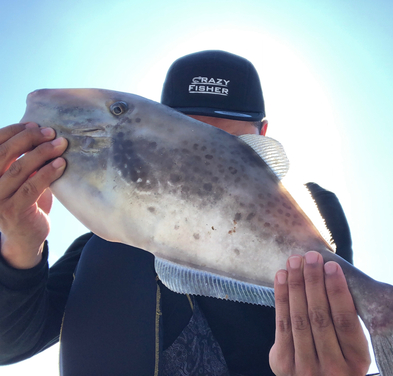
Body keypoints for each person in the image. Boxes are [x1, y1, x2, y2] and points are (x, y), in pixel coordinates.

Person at [0, 50, 370, 375]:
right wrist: (20, 244)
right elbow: (10, 343)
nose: (193, 167)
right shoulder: (99, 241)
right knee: (108, 249)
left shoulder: (306, 210)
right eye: (180, 141)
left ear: (263, 134)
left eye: (222, 144)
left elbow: (332, 335)